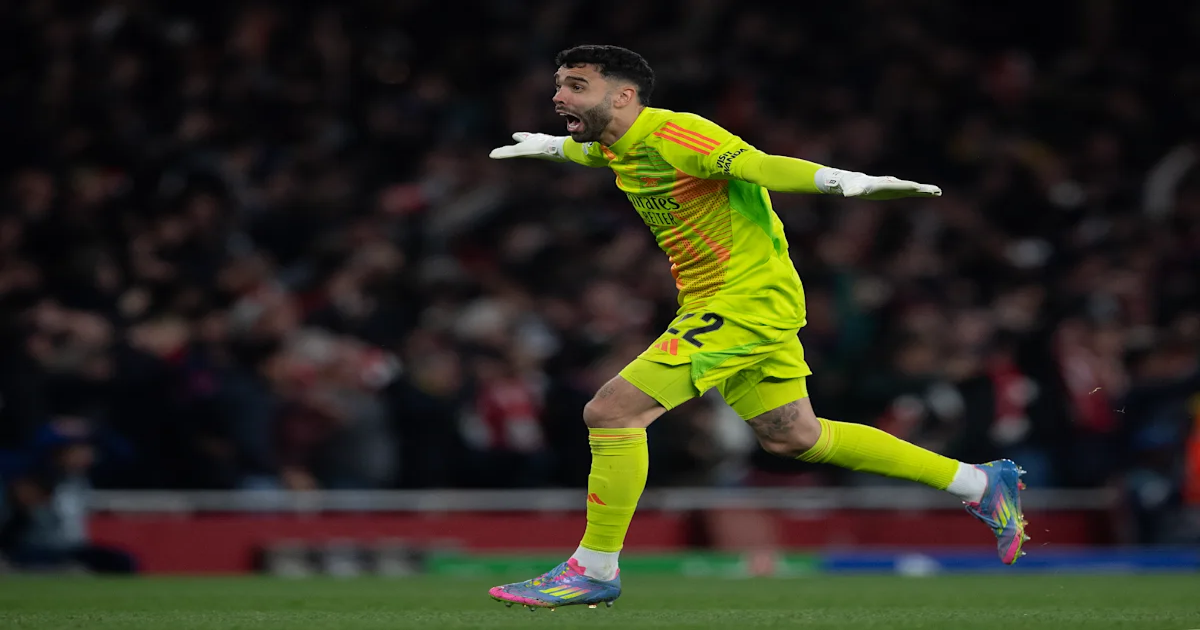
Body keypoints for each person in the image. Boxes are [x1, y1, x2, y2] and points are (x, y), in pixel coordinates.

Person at [485, 45, 1026, 610]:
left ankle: (594, 568)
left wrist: (842, 181)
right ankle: (979, 483)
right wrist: (551, 147)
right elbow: (596, 154)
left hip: (745, 301)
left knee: (613, 412)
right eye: (559, 84)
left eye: (575, 85)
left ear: (623, 96)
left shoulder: (678, 135)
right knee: (793, 435)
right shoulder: (616, 144)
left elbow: (759, 166)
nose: (558, 96)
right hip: (729, 300)